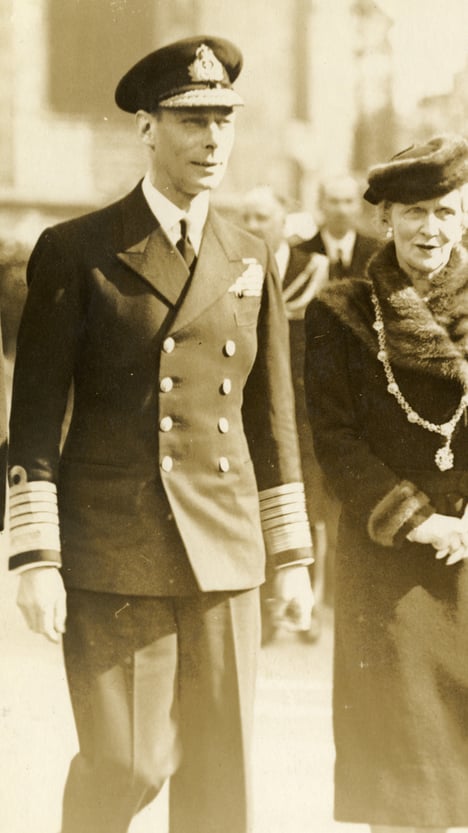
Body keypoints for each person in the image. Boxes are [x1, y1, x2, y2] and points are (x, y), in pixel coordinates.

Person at [8, 35, 314, 833]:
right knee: (126, 764)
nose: (213, 140)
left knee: (221, 780)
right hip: (116, 549)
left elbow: (270, 419)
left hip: (226, 547)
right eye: (191, 120)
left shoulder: (250, 255)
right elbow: (34, 420)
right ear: (147, 128)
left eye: (224, 120)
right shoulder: (77, 250)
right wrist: (36, 560)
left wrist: (291, 559)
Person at [304, 134, 468, 833]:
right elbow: (333, 439)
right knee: (406, 782)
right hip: (390, 567)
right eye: (413, 213)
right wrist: (417, 519)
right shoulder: (340, 311)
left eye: (445, 212)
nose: (429, 229)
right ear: (386, 219)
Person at [241, 184, 328, 643]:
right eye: (248, 218)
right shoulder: (235, 264)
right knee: (257, 509)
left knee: (306, 508)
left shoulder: (310, 270)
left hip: (306, 410)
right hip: (251, 407)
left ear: (283, 221)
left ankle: (303, 606)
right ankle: (263, 613)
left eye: (263, 217)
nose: (254, 226)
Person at [298, 172, 378, 279]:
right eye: (334, 202)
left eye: (349, 201)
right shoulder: (301, 254)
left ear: (360, 206)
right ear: (320, 205)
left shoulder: (377, 252)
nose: (342, 211)